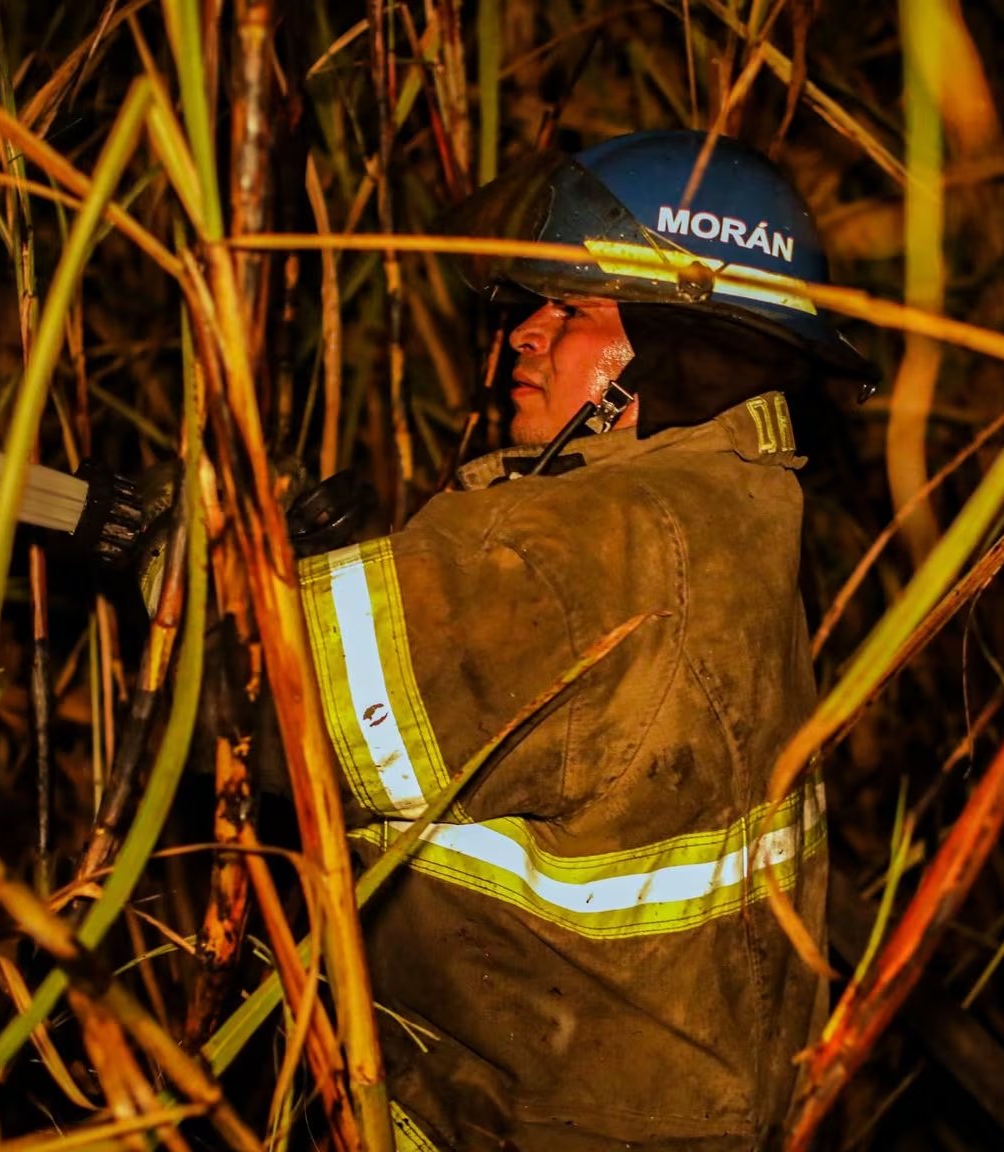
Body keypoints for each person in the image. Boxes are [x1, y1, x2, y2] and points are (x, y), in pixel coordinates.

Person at [296, 130, 874, 1151]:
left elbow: (294, 719)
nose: (523, 333)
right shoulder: (737, 504)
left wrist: (223, 578)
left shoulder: (595, 541)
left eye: (571, 309)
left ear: (680, 343)